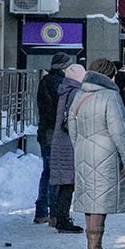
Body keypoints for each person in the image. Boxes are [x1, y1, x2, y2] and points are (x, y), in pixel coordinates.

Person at [70, 57, 125, 249]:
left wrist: (80, 147)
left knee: (91, 199)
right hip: (106, 153)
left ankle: (92, 247)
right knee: (101, 200)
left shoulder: (80, 93)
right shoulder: (110, 96)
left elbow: (72, 125)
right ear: (110, 75)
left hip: (83, 151)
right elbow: (118, 131)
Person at [34, 51, 73, 224]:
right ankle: (54, 213)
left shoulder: (44, 81)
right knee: (56, 174)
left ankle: (41, 211)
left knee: (47, 172)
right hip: (56, 134)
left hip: (44, 132)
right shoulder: (62, 84)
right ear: (64, 66)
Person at [48, 63, 86, 234]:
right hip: (69, 142)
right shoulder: (76, 93)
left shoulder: (65, 90)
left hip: (60, 140)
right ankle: (62, 219)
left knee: (65, 183)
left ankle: (58, 216)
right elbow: (74, 119)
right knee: (68, 184)